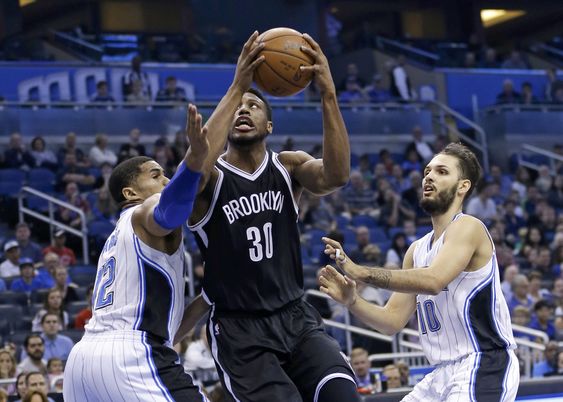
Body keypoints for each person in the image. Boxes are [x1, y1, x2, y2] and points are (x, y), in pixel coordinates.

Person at [61, 30, 258, 399]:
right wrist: (197, 158)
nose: (165, 179)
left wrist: (210, 295)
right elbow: (171, 206)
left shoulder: (116, 240)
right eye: (156, 175)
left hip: (84, 361)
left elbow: (168, 330)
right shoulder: (143, 212)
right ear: (130, 192)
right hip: (129, 356)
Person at [187, 32, 359, 402]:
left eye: (254, 105)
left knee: (344, 396)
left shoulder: (288, 166)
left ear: (269, 126)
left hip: (296, 316)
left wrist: (328, 93)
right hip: (240, 331)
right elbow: (193, 174)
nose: (243, 110)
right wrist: (239, 85)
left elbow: (337, 176)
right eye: (237, 107)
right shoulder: (211, 179)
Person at [320, 143, 519, 401]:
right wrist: (353, 301)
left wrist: (361, 273)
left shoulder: (469, 227)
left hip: (483, 362)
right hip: (441, 373)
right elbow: (392, 321)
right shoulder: (416, 250)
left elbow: (434, 280)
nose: (429, 176)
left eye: (442, 171)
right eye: (427, 171)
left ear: (463, 186)